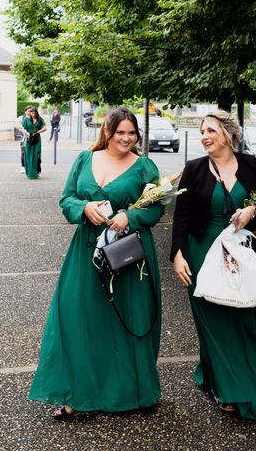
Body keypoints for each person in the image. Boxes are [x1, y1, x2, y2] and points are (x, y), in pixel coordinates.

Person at [29, 106, 164, 418]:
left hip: (128, 253)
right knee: (77, 318)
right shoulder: (84, 160)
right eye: (121, 133)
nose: (127, 139)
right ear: (108, 131)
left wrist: (131, 215)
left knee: (126, 320)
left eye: (132, 133)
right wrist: (84, 207)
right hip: (86, 250)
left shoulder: (145, 167)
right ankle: (76, 393)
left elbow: (157, 210)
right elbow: (67, 200)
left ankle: (132, 392)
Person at [170, 110, 256, 420]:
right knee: (214, 318)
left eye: (211, 130)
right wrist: (177, 254)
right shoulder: (194, 169)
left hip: (239, 248)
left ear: (229, 134)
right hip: (202, 248)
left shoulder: (249, 164)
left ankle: (228, 374)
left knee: (246, 317)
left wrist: (251, 211)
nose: (205, 136)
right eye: (203, 131)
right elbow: (181, 215)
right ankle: (227, 388)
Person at [22, 107, 47, 179]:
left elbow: (45, 128)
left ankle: (36, 172)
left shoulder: (39, 119)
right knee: (28, 156)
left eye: (34, 113)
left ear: (36, 113)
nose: (33, 114)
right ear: (29, 113)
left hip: (37, 140)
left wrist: (37, 132)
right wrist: (26, 133)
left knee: (37, 155)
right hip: (29, 139)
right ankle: (30, 173)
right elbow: (22, 128)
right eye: (31, 113)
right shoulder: (26, 120)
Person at [16, 107, 32, 174]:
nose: (29, 112)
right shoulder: (21, 118)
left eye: (31, 111)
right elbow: (17, 125)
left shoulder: (33, 118)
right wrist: (23, 131)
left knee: (31, 153)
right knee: (23, 152)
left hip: (32, 138)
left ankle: (31, 167)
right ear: (25, 111)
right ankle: (23, 167)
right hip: (23, 138)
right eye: (28, 111)